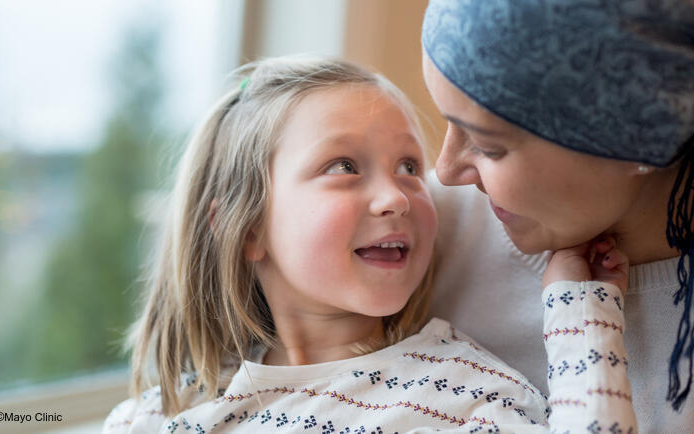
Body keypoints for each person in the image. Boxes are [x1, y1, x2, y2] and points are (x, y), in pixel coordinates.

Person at [103, 56, 638, 433]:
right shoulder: (155, 416)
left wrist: (580, 309)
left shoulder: (462, 390)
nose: (398, 197)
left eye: (409, 167)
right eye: (344, 167)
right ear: (248, 230)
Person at [421, 0, 694, 432]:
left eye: (489, 146)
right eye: (447, 122)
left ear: (646, 138)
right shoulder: (413, 235)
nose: (446, 170)